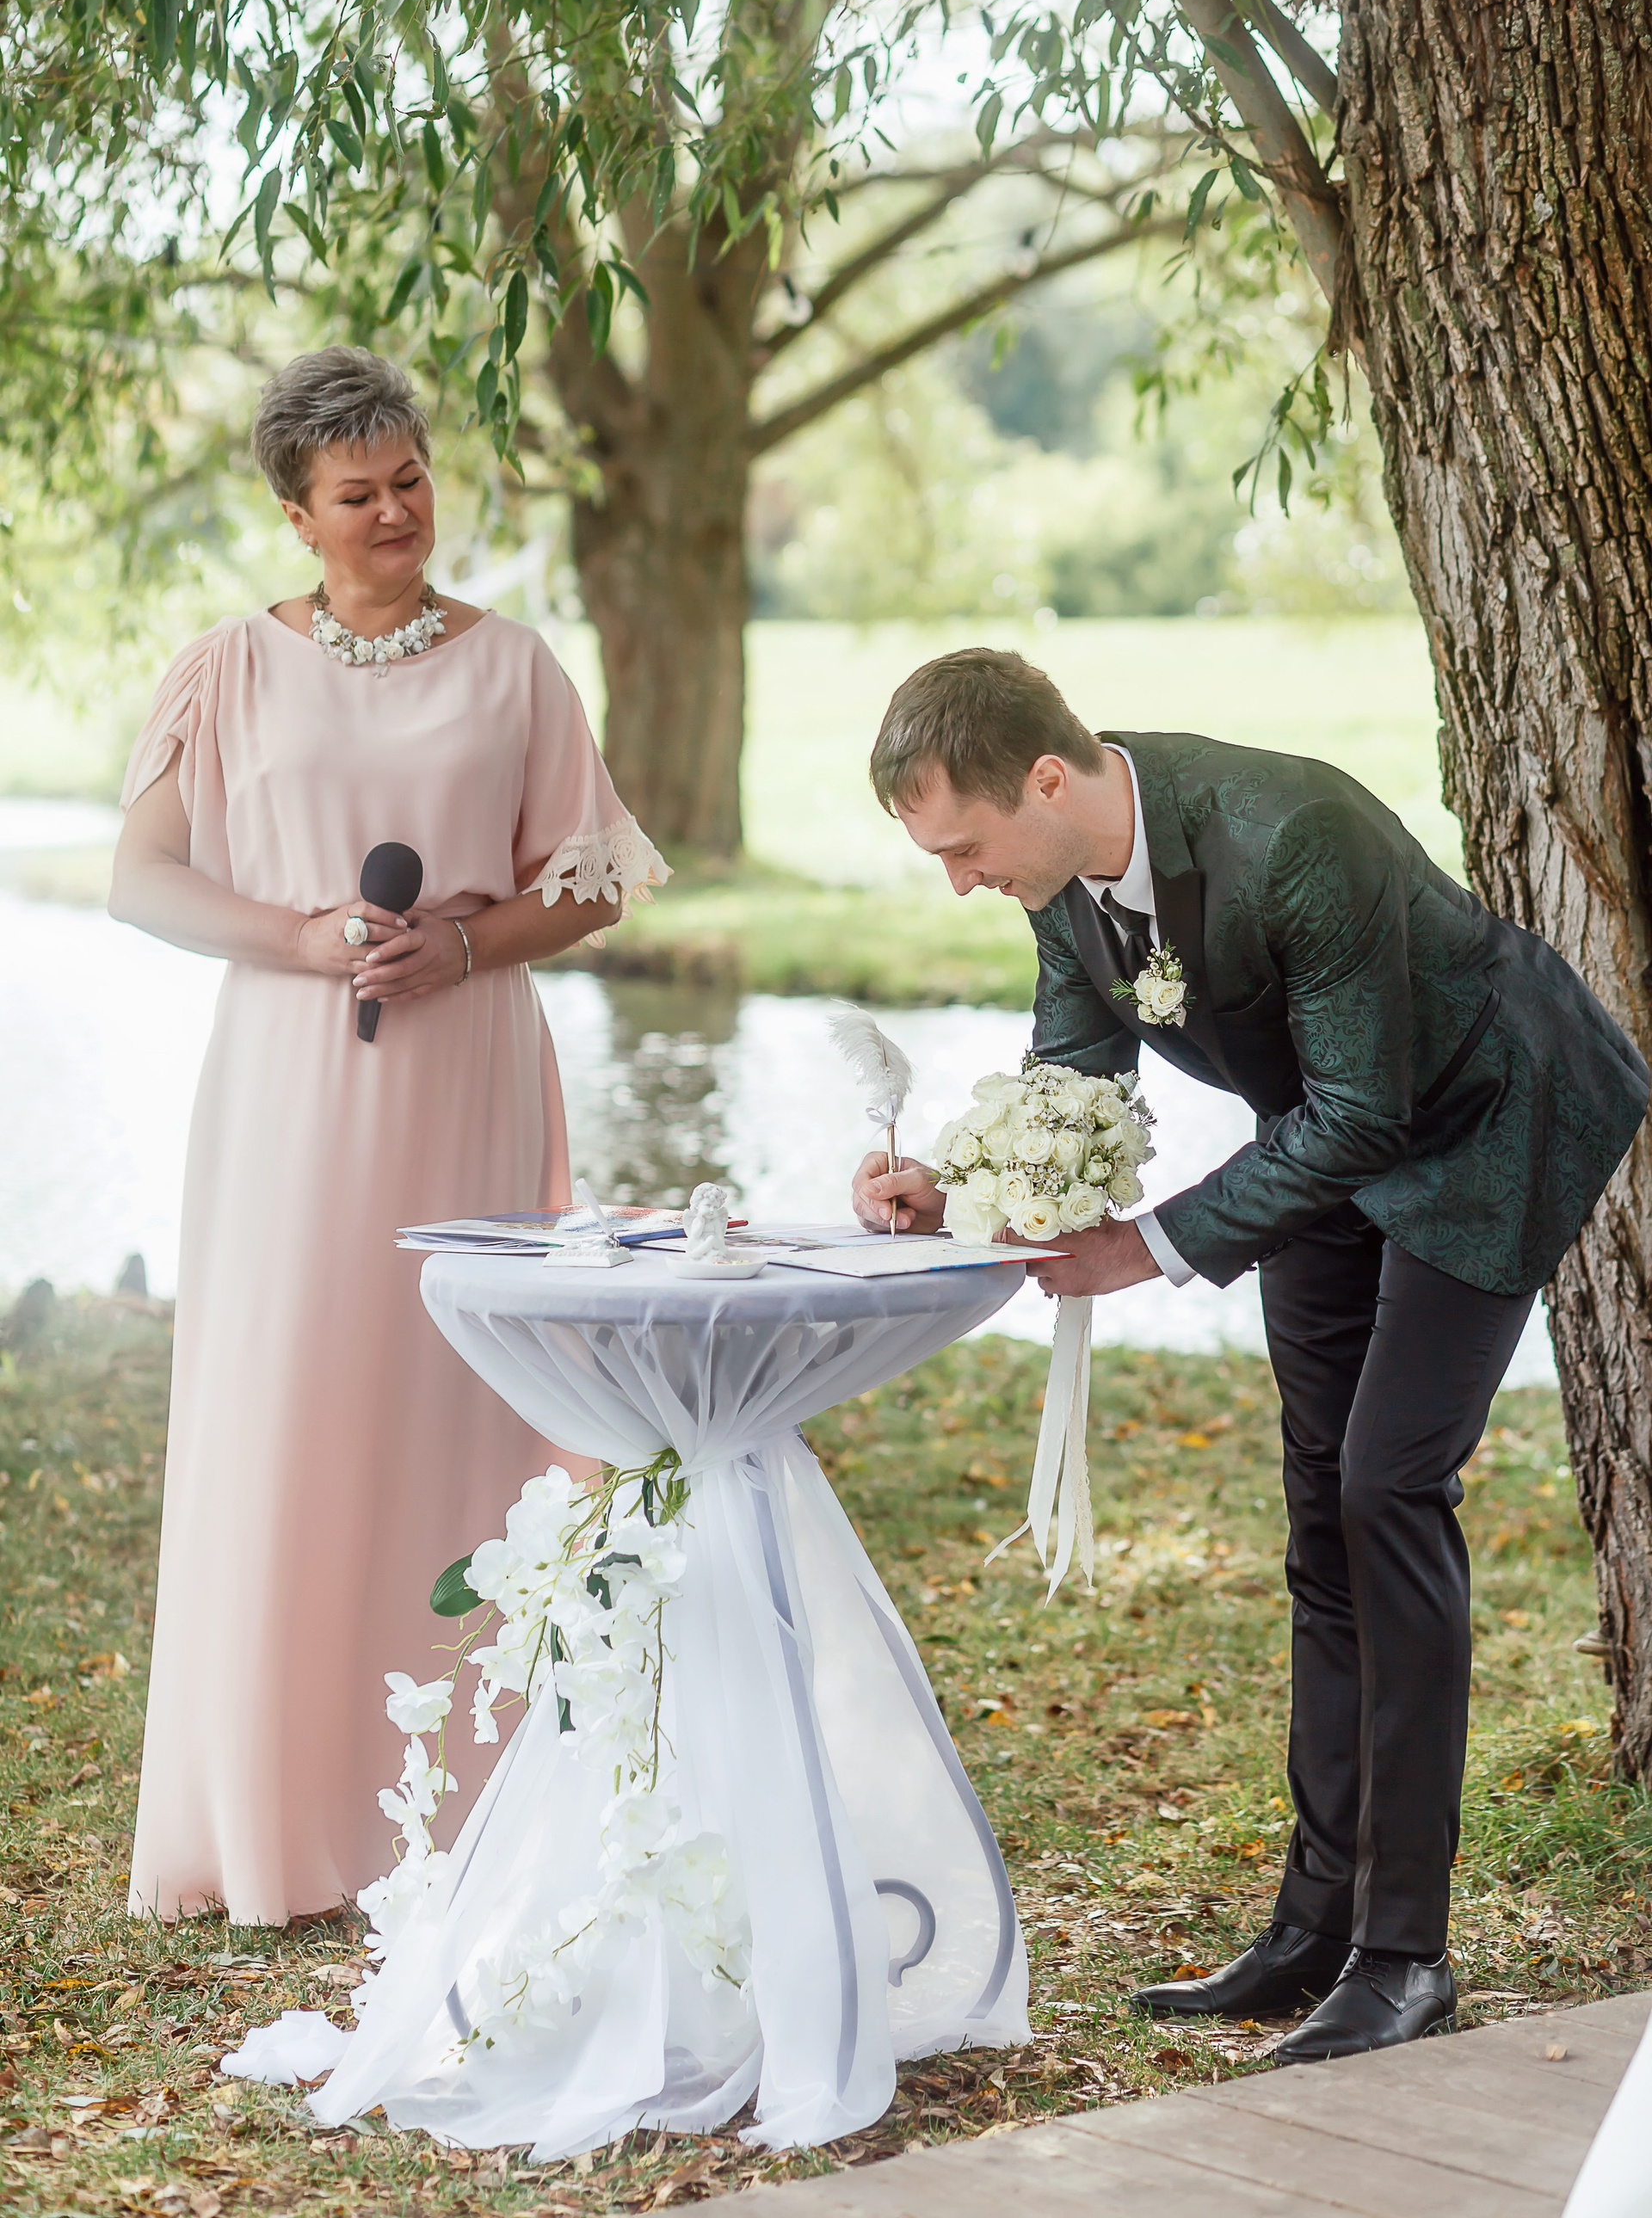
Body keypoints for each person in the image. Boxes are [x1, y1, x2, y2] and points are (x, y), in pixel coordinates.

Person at [849, 648, 1647, 2062]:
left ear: (1047, 781)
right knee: (1320, 1515)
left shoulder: (1294, 833)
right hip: (1323, 1139)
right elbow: (1073, 1086)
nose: (961, 883)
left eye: (964, 849)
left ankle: (1405, 1955)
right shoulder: (1062, 884)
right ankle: (1313, 1929)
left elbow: (1367, 1115)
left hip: (1482, 1119)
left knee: (1387, 1489)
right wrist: (960, 1193)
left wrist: (1148, 1247)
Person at [110, 347, 668, 1925]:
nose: (397, 512)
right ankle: (275, 1821)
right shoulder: (225, 671)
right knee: (291, 1405)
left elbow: (595, 882)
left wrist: (470, 945)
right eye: (357, 494)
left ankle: (476, 1815)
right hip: (290, 1090)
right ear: (297, 515)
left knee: (460, 1405)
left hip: (468, 1074)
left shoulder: (519, 670)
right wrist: (303, 939)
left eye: (411, 480)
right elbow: (141, 882)